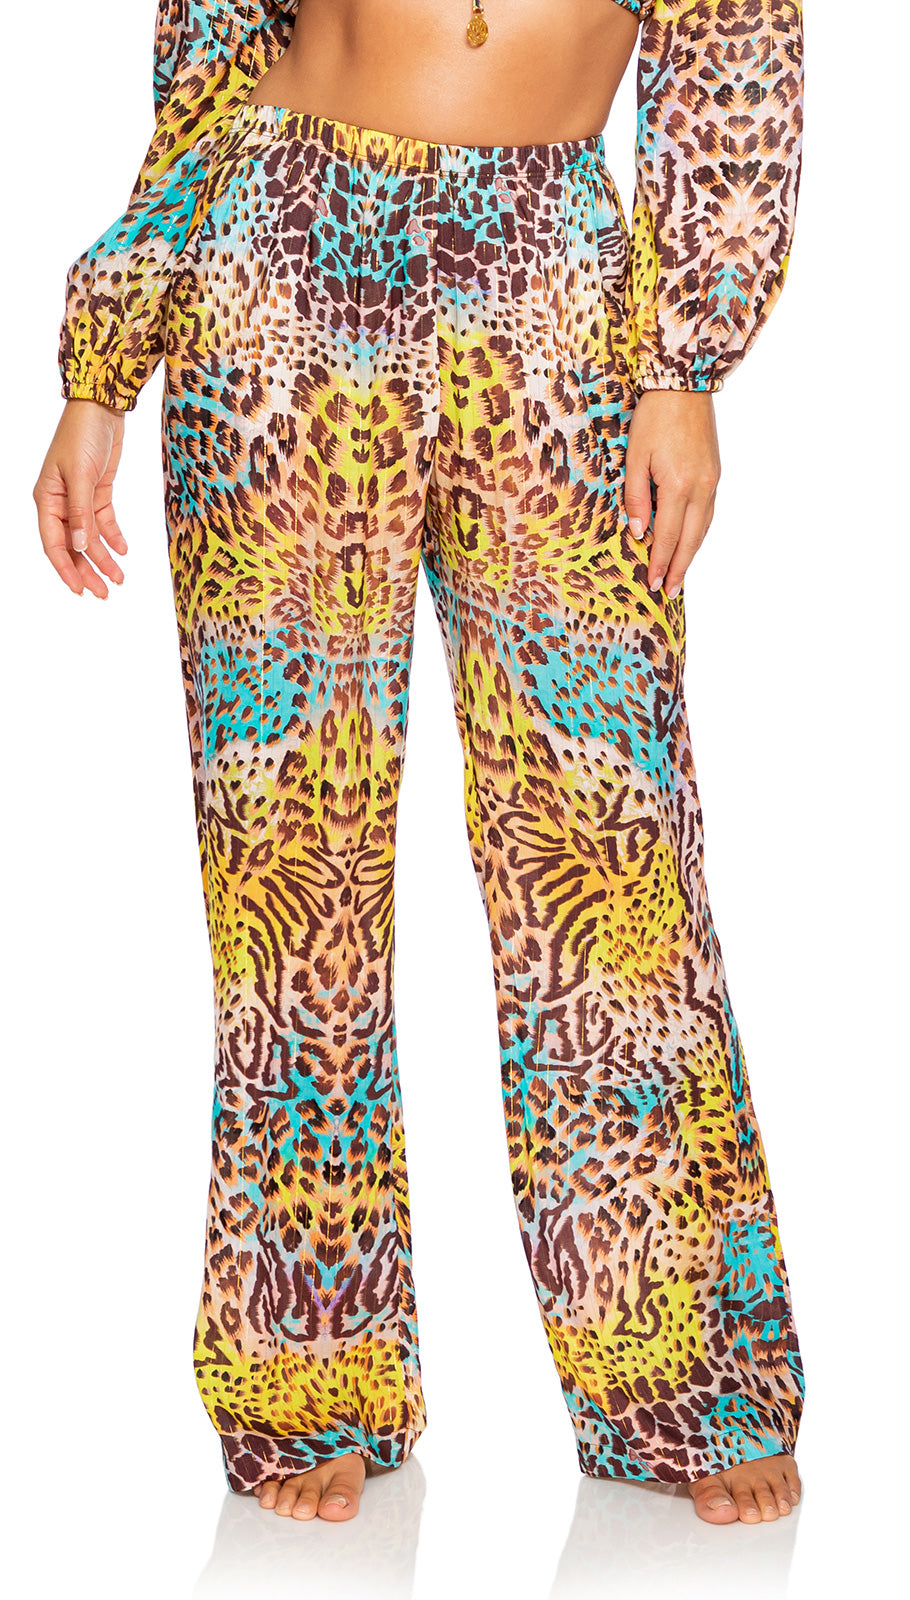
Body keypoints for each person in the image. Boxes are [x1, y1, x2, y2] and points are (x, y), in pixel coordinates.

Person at [33, 0, 806, 1531]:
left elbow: (733, 62)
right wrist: (102, 371)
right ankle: (306, 1373)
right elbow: (213, 65)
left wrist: (684, 365)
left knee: (610, 867)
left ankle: (681, 1372)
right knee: (289, 874)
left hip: (554, 292)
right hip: (274, 265)